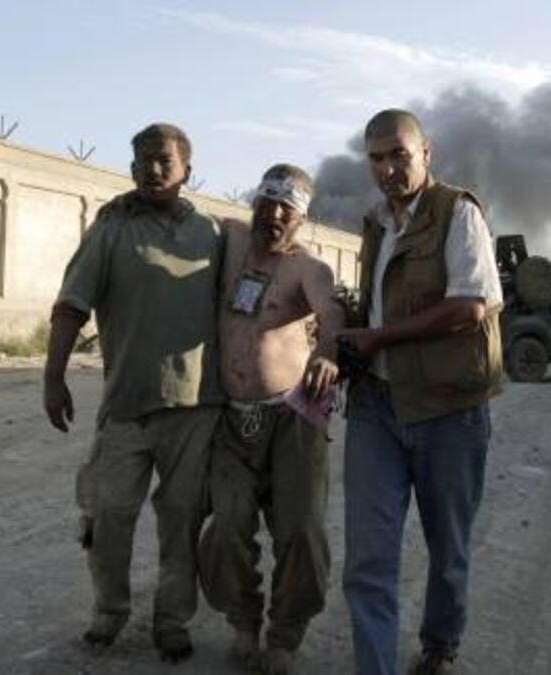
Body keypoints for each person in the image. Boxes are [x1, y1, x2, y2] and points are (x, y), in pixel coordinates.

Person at [42, 123, 222, 663]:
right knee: (108, 515)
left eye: (164, 159)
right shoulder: (111, 229)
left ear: (188, 170)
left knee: (181, 520)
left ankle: (172, 620)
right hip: (126, 406)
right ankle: (109, 612)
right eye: (142, 160)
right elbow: (71, 305)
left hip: (194, 407)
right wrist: (52, 376)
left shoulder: (213, 234)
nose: (152, 169)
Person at [338, 109, 504, 675]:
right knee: (368, 559)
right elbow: (373, 307)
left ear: (425, 153)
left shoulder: (458, 212)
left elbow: (470, 307)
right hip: (376, 407)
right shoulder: (376, 224)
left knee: (447, 547)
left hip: (448, 408)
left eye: (399, 155)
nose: (388, 169)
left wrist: (379, 336)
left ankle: (440, 643)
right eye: (376, 159)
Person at [197, 164, 343, 675]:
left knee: (301, 531)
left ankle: (284, 635)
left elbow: (332, 313)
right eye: (268, 202)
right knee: (226, 528)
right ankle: (242, 621)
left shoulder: (308, 268)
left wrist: (327, 352)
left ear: (301, 218)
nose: (275, 214)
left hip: (292, 418)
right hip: (231, 420)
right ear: (254, 202)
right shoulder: (230, 239)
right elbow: (177, 216)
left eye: (288, 208)